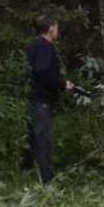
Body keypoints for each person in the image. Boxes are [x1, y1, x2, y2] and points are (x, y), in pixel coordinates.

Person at [23, 15, 73, 184]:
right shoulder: (45, 47)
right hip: (42, 102)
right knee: (43, 141)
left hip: (37, 99)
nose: (58, 31)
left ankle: (26, 173)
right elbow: (43, 71)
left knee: (34, 139)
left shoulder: (36, 46)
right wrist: (61, 84)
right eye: (57, 27)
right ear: (51, 28)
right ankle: (47, 182)